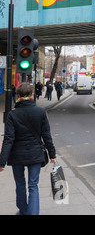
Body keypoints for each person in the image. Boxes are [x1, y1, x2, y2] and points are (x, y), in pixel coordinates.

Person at [0, 82, 56, 215]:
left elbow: (8, 139)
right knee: (33, 186)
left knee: (20, 185)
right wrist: (52, 154)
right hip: (35, 154)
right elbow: (46, 135)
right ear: (32, 94)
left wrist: (2, 161)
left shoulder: (12, 115)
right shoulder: (40, 112)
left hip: (17, 155)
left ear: (18, 96)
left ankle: (24, 211)